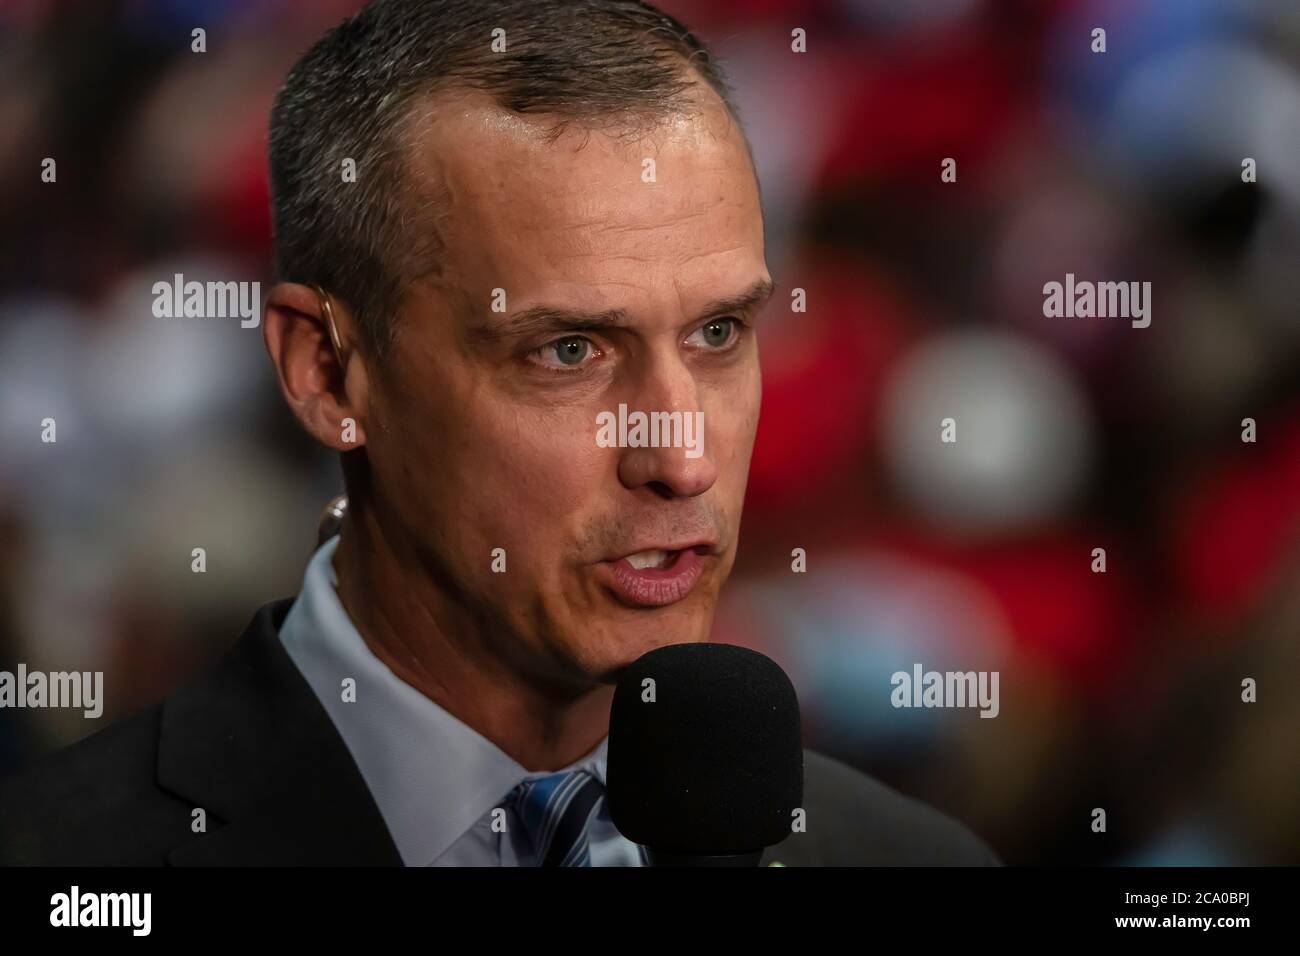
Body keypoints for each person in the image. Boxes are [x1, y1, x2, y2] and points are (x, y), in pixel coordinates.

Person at [0, 0, 997, 866]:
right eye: (568, 351)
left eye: (718, 333)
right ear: (327, 371)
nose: (683, 457)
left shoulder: (913, 858)